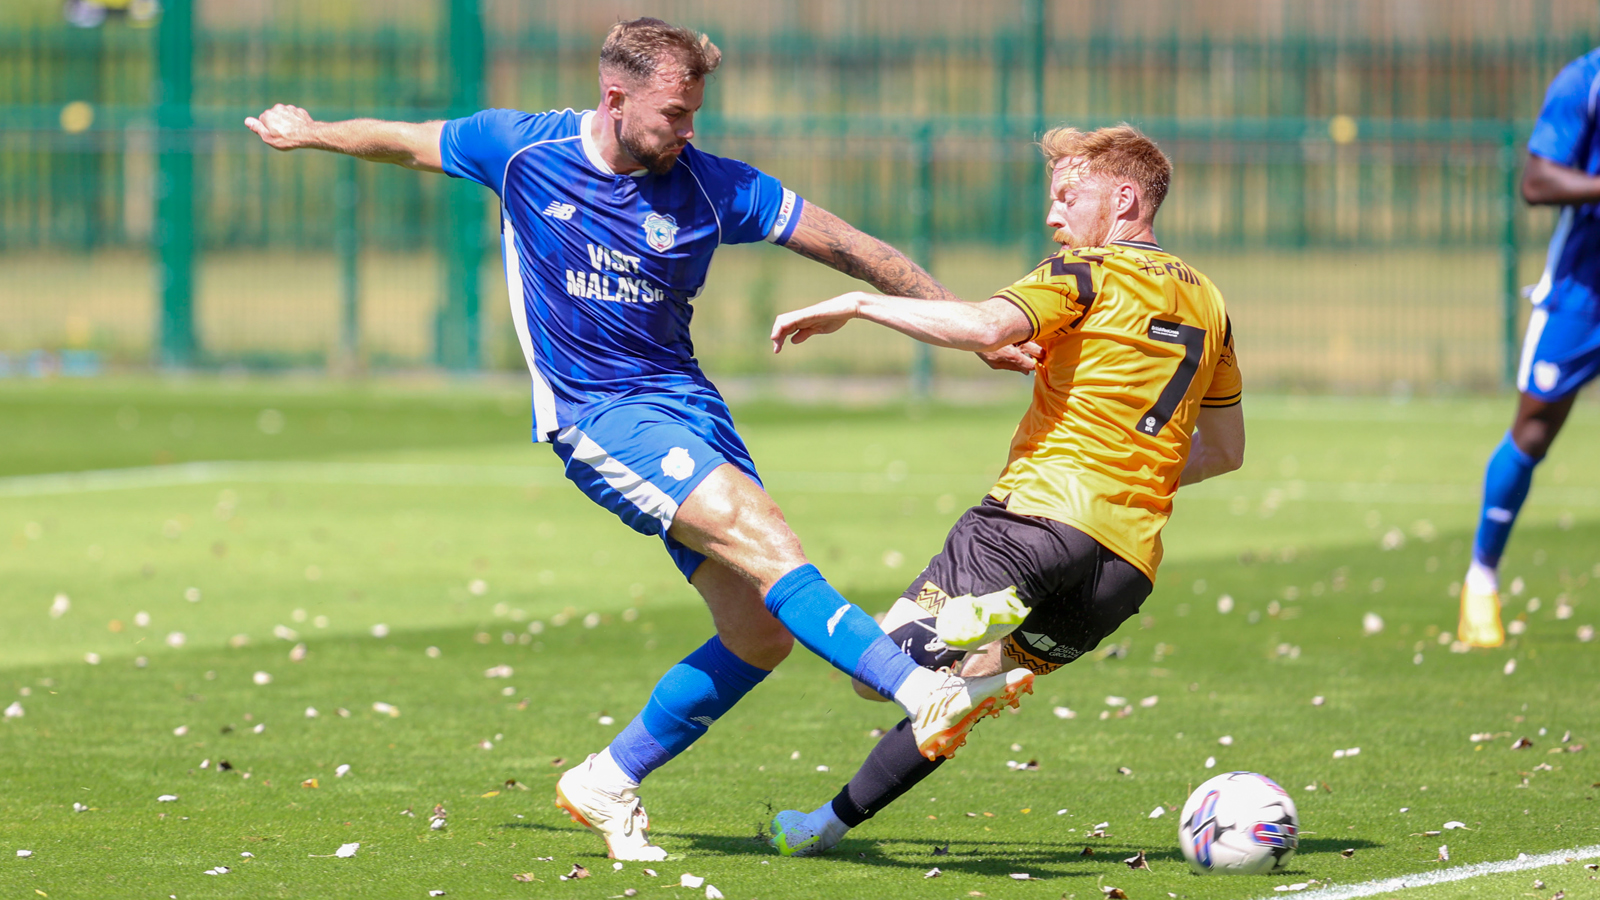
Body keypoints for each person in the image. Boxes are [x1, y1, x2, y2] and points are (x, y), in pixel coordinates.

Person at [244, 17, 1035, 861]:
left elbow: (851, 248)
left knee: (758, 632)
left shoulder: (709, 184)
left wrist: (966, 325)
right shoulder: (519, 149)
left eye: (696, 113)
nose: (687, 131)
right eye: (673, 114)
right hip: (597, 415)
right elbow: (404, 142)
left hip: (689, 408)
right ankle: (921, 692)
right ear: (614, 98)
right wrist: (312, 133)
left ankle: (607, 780)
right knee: (769, 543)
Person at [764, 123, 1246, 856]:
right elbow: (1225, 450)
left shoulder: (1086, 273)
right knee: (959, 698)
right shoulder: (1210, 302)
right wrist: (1128, 473)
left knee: (878, 675)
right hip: (1125, 566)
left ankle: (981, 614)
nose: (1053, 215)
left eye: (1067, 196)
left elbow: (985, 323)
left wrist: (858, 306)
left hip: (1029, 526)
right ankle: (823, 829)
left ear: (1124, 198)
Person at [1458, 48, 1600, 648]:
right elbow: (1538, 180)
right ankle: (1481, 580)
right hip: (1584, 290)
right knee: (1534, 431)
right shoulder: (1585, 80)